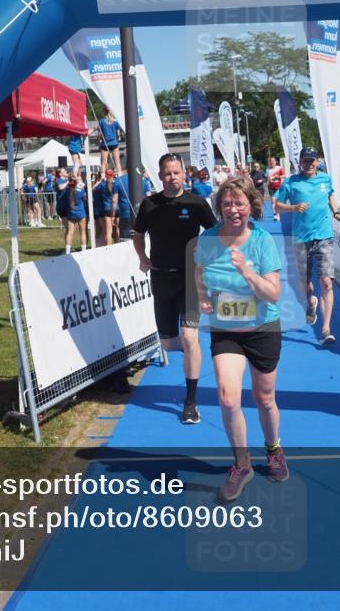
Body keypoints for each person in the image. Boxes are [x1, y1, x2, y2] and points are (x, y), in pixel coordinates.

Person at [194, 177, 286, 501]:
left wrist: (248, 272)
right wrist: (203, 298)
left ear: (251, 206)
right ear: (219, 207)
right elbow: (198, 274)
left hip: (262, 328)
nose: (234, 209)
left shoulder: (261, 242)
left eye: (240, 203)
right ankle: (242, 464)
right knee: (229, 398)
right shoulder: (207, 240)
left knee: (264, 399)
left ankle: (273, 449)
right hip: (226, 331)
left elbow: (274, 293)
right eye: (227, 203)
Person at [133, 153, 217, 424]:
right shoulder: (150, 204)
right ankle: (188, 349)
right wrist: (142, 258)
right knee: (169, 343)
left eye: (176, 173)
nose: (172, 178)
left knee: (191, 339)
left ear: (184, 174)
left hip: (190, 280)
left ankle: (191, 402)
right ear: (159, 176)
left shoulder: (196, 202)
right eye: (167, 173)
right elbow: (137, 233)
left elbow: (214, 232)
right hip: (160, 278)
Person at [273, 147, 340, 345]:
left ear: (317, 161)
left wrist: (336, 212)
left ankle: (326, 329)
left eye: (312, 160)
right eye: (306, 161)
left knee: (327, 283)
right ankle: (311, 301)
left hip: (324, 236)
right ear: (300, 162)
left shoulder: (324, 179)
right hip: (301, 239)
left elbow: (330, 195)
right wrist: (293, 208)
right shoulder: (291, 182)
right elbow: (276, 206)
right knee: (305, 283)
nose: (309, 164)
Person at [56, 171, 87, 253]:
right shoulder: (81, 190)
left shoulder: (67, 191)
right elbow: (85, 198)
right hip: (80, 213)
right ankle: (83, 250)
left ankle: (67, 251)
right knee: (82, 232)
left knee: (70, 233)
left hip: (71, 213)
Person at [93, 170, 117, 246]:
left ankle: (108, 248)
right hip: (115, 208)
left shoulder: (102, 184)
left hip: (106, 209)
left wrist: (99, 181)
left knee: (108, 232)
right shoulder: (116, 183)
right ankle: (116, 244)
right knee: (116, 230)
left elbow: (93, 189)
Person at [97, 109, 122, 176]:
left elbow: (99, 134)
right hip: (114, 143)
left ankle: (103, 177)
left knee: (103, 163)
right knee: (117, 162)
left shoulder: (101, 121)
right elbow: (118, 133)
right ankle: (120, 175)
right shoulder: (115, 121)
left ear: (104, 111)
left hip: (105, 144)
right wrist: (118, 137)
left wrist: (98, 141)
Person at [267, 156, 285, 220]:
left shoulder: (279, 168)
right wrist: (267, 184)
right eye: (271, 161)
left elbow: (284, 175)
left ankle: (278, 214)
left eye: (273, 161)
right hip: (271, 188)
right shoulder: (268, 170)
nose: (272, 162)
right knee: (273, 201)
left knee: (278, 201)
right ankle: (275, 215)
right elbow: (268, 179)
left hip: (278, 187)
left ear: (275, 162)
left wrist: (278, 177)